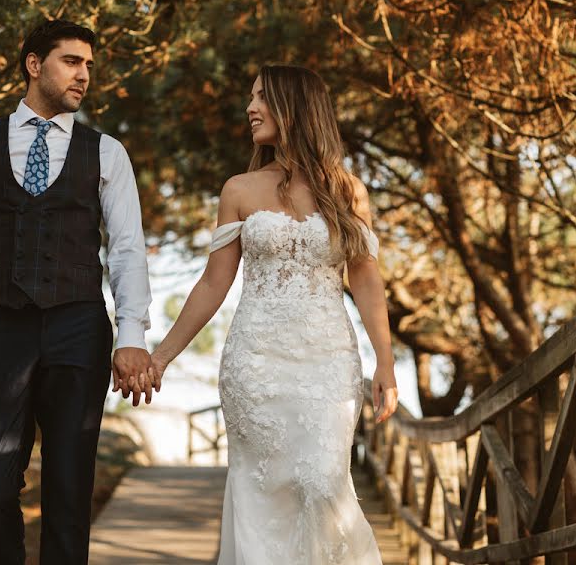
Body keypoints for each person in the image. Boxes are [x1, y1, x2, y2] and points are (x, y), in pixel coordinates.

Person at [0, 20, 154, 565]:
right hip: (0, 328)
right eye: (71, 61)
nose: (84, 74)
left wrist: (131, 336)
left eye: (89, 64)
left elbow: (126, 251)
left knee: (69, 494)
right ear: (33, 64)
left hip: (79, 327)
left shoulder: (107, 153)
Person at [148, 65, 398, 564]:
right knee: (264, 500)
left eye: (261, 97)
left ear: (295, 108)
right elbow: (214, 282)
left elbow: (366, 279)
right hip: (256, 365)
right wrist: (162, 357)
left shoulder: (349, 192)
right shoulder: (239, 190)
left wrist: (386, 364)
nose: (250, 107)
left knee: (324, 483)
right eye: (251, 97)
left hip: (328, 362)